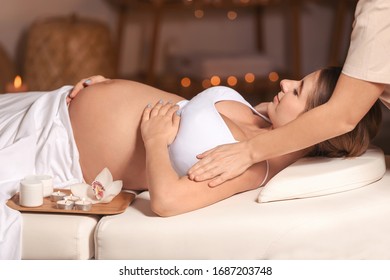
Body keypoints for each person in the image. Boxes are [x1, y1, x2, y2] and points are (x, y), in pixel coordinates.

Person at [67, 66, 381, 217]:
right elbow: (182, 107)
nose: (285, 82)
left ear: (314, 124)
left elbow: (167, 202)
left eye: (297, 91)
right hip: (62, 104)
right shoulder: (266, 121)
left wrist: (154, 142)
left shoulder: (252, 164)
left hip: (63, 148)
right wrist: (113, 86)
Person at [185, 0, 390, 187]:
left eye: (298, 91)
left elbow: (342, 115)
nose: (284, 83)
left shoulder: (380, 10)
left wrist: (248, 151)